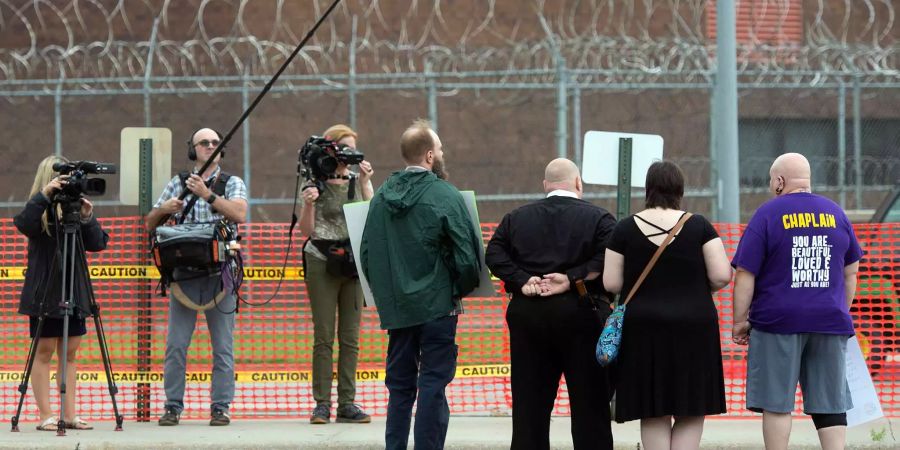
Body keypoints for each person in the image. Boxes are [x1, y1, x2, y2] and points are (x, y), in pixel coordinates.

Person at [360, 119, 482, 450]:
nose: (442, 153)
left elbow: (368, 254)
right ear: (429, 155)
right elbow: (467, 256)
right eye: (439, 148)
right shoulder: (444, 194)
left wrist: (389, 296)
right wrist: (458, 288)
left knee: (400, 388)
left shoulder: (382, 197)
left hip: (399, 311)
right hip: (438, 308)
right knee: (432, 383)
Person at [731, 153, 862, 450]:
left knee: (776, 402)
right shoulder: (836, 213)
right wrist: (839, 308)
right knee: (830, 402)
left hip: (777, 321)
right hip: (829, 321)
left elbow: (745, 272)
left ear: (779, 181)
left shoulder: (767, 214)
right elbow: (851, 270)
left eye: (770, 181)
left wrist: (740, 321)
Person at [485, 158, 617, 450]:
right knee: (590, 407)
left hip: (528, 315)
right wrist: (572, 278)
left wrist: (523, 280)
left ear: (546, 185)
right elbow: (609, 256)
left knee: (529, 408)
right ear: (578, 183)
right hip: (583, 315)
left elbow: (493, 254)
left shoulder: (516, 218)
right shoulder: (600, 219)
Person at [602, 160, 732, 450]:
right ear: (679, 190)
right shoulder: (699, 226)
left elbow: (611, 283)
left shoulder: (623, 229)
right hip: (694, 327)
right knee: (691, 406)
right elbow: (722, 275)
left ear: (648, 189)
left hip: (643, 329)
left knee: (653, 407)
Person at [146, 127, 248, 427]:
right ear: (192, 149)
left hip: (220, 275)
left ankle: (220, 407)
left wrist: (209, 195)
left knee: (223, 346)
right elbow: (151, 223)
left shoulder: (231, 183)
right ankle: (173, 406)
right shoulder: (177, 184)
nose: (211, 146)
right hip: (183, 277)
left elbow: (240, 214)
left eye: (216, 143)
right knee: (176, 344)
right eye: (204, 143)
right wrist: (164, 208)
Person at [14, 155, 110, 432]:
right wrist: (46, 195)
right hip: (45, 290)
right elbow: (24, 223)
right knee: (43, 352)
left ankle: (69, 415)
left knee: (70, 354)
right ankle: (46, 415)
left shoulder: (75, 211)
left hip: (74, 290)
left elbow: (97, 244)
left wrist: (87, 217)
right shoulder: (38, 212)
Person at [299, 124, 375, 424]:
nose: (348, 155)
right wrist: (308, 204)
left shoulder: (356, 181)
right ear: (330, 148)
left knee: (351, 336)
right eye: (343, 148)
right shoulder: (314, 182)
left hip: (351, 261)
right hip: (321, 257)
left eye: (352, 148)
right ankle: (322, 403)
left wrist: (367, 183)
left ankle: (347, 401)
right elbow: (307, 230)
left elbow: (372, 218)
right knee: (324, 335)